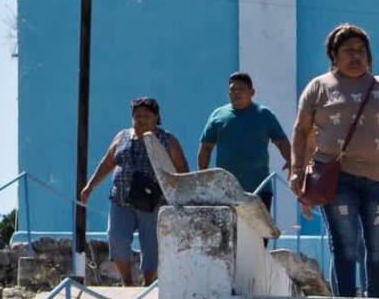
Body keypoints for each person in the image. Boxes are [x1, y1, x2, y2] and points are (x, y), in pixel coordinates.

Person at [290, 23, 379, 299]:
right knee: (344, 244)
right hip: (337, 180)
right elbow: (301, 130)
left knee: (378, 247)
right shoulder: (319, 87)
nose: (356, 56)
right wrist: (297, 171)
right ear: (334, 55)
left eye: (361, 51)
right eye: (348, 50)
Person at [79, 96, 189, 287]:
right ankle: (127, 282)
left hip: (152, 202)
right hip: (121, 200)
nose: (141, 120)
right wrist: (90, 186)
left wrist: (182, 195)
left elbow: (181, 167)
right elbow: (107, 163)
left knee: (151, 245)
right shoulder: (121, 137)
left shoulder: (166, 140)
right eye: (137, 116)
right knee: (116, 238)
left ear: (156, 118)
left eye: (147, 116)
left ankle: (148, 282)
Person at [196, 72, 292, 211]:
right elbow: (205, 147)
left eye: (240, 89)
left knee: (258, 231)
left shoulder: (264, 114)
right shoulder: (218, 115)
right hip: (225, 189)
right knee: (228, 230)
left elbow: (281, 141)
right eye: (232, 89)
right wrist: (203, 176)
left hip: (259, 189)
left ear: (251, 92)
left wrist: (291, 162)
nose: (236, 93)